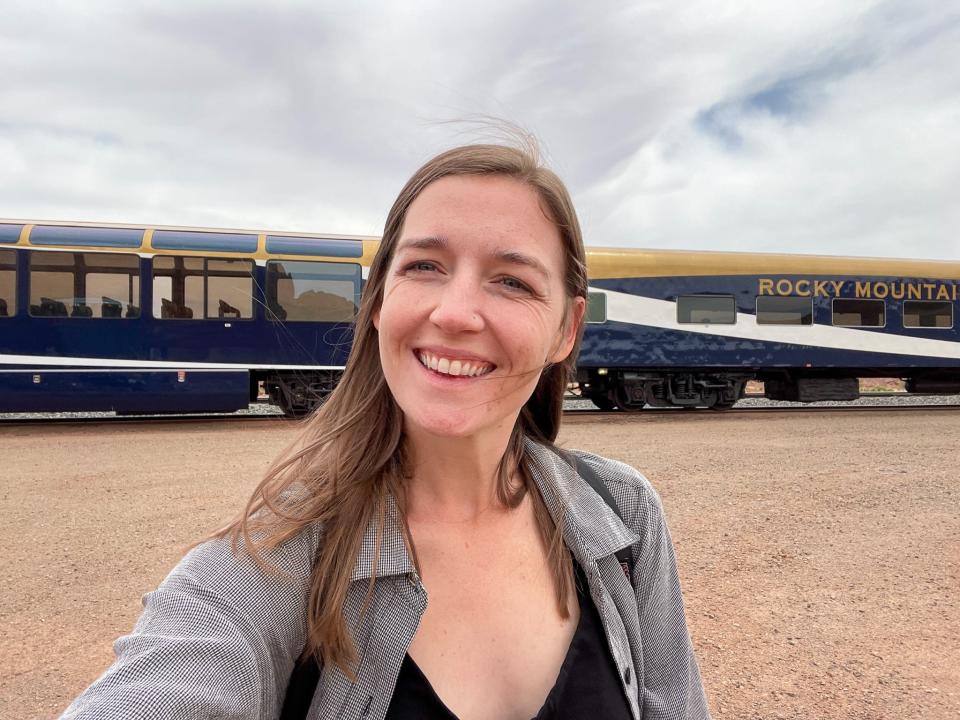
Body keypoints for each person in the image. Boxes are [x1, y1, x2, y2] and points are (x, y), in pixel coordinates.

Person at [62, 141, 711, 719]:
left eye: (511, 281)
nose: (455, 312)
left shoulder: (626, 517)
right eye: (424, 266)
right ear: (378, 303)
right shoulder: (277, 557)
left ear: (566, 330)